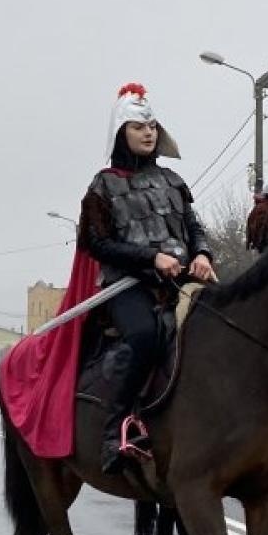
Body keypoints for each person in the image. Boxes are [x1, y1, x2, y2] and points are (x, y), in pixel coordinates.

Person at [77, 82, 215, 473]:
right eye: (139, 126)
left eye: (152, 125)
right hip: (127, 285)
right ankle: (114, 430)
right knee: (144, 336)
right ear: (122, 133)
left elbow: (193, 227)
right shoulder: (104, 184)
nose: (149, 132)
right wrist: (150, 258)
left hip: (180, 281)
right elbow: (96, 243)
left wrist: (202, 253)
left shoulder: (172, 181)